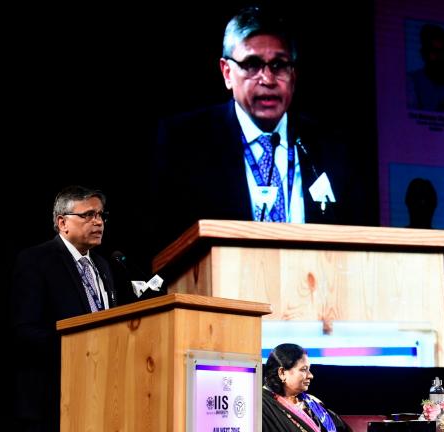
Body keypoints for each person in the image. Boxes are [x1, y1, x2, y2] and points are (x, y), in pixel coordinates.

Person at [152, 6, 358, 250]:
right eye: (252, 64)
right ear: (227, 72)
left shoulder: (330, 146)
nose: (268, 79)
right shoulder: (184, 142)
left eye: (279, 65)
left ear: (293, 74)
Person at [11, 185, 117, 432]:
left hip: (98, 400)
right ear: (62, 222)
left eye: (100, 215)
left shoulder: (104, 267)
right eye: (88, 215)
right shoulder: (36, 261)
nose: (98, 221)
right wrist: (81, 351)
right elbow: (25, 331)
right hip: (51, 402)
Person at [406, 23, 444, 114]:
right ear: (423, 54)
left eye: (443, 51)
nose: (440, 57)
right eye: (434, 51)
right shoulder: (411, 82)